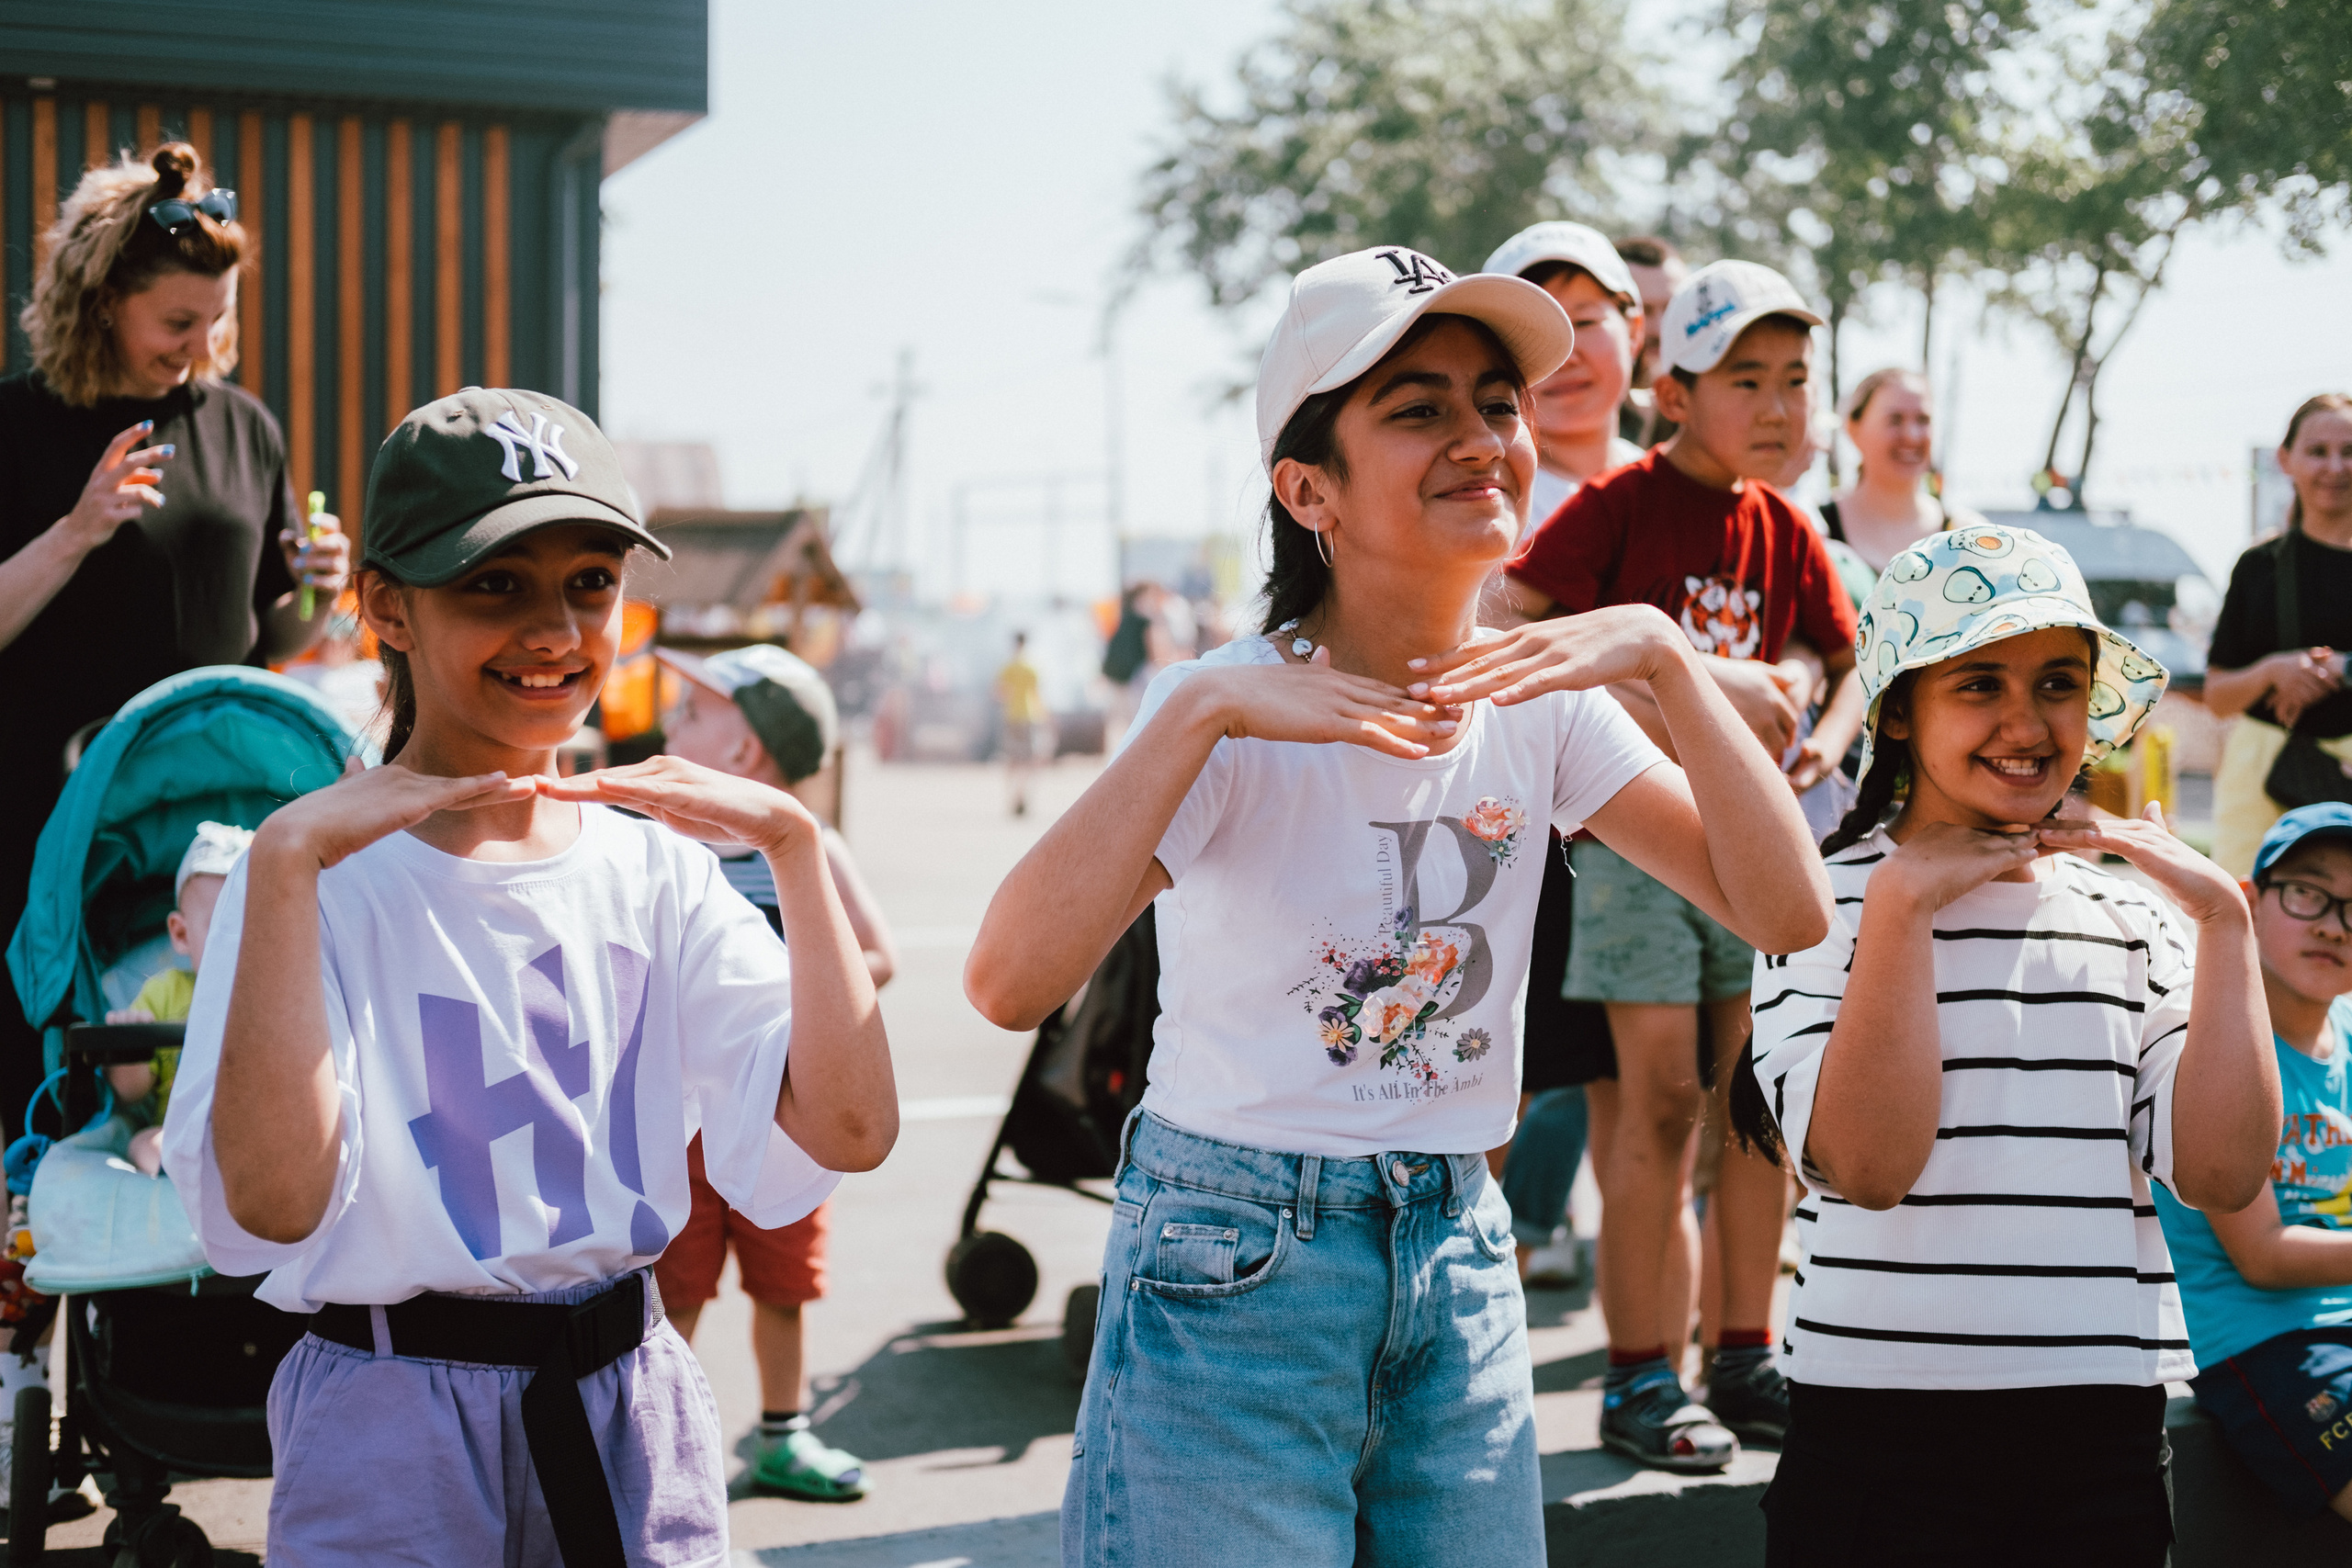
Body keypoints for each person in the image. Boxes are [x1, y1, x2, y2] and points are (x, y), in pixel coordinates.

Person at [967, 244, 1831, 1565]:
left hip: (1460, 1254)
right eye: (1418, 408)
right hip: (1230, 1268)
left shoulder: (1546, 698)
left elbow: (1786, 909)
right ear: (1308, 485)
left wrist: (1662, 654)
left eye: (1496, 402)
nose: (1482, 437)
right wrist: (1198, 707)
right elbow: (1009, 978)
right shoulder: (1226, 711)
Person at [159, 387, 896, 1565]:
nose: (556, 630)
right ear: (386, 608)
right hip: (387, 1412)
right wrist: (291, 855)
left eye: (590, 582)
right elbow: (275, 1203)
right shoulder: (306, 871)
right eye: (494, 582)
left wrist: (795, 851)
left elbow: (852, 1128)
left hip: (627, 1395)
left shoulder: (656, 865)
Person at [1740, 524, 2276, 1563]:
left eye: (2059, 683)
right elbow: (1868, 1165)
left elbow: (2220, 1167)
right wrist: (1899, 907)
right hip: (1869, 1434)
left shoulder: (2139, 916)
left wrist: (2225, 926)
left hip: (2100, 1444)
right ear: (1898, 710)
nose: (2026, 722)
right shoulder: (1821, 905)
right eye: (1978, 683)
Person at [1500, 258, 1865, 1466]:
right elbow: (1511, 620)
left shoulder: (1787, 525)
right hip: (1633, 852)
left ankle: (1747, 1348)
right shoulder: (1619, 502)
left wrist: (1818, 715)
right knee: (1655, 1103)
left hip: (1757, 860)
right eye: (1743, 378)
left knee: (1748, 1109)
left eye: (1797, 380)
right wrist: (1710, 681)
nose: (1776, 405)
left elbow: (1843, 656)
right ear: (1673, 389)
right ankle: (1638, 1375)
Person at [0, 141, 346, 1138]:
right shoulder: (20, 427)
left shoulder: (244, 428)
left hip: (208, 834)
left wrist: (319, 595)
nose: (199, 346)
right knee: (40, 1109)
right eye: (176, 322)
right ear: (104, 300)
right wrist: (78, 528)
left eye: (218, 320)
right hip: (48, 827)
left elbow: (263, 640)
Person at [652, 640, 897, 1503]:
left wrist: (793, 991)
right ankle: (654, 1434)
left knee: (782, 1278)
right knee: (672, 1279)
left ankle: (782, 1431)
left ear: (744, 751)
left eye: (691, 714)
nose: (667, 722)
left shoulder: (806, 846)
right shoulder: (658, 847)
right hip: (678, 1120)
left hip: (785, 1111)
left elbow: (876, 953)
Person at [1476, 222, 1648, 1283]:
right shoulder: (1483, 487)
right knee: (1472, 1095)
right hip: (1509, 843)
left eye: (1592, 319)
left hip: (1651, 847)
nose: (1574, 351)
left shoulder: (1684, 484)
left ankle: (1674, 1354)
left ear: (1642, 333)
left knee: (1659, 1119)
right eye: (1548, 329)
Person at [2153, 803, 2352, 1524]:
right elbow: (2263, 1256)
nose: (2333, 922)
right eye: (2308, 892)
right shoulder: (2218, 1045)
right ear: (2247, 901)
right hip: (2268, 1344)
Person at [2206, 394, 2352, 876]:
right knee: (2242, 921)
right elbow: (2218, 696)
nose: (2335, 467)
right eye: (2318, 451)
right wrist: (2274, 671)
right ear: (2285, 460)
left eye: (2349, 452)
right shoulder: (2259, 567)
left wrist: (2339, 669)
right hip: (2260, 771)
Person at [100, 821, 251, 1176]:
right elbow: (131, 1094)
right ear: (182, 935)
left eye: (254, 922)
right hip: (180, 1136)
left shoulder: (281, 991)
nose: (239, 940)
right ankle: (174, 1174)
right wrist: (130, 1049)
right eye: (222, 927)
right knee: (142, 1140)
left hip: (255, 1133)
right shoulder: (165, 992)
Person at [1480, 223, 1647, 521]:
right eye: (1533, 333)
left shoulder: (1676, 489)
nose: (1565, 357)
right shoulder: (1486, 508)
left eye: (1584, 323)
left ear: (1634, 332)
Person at [1818, 368, 1984, 572]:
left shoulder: (1965, 533)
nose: (1912, 436)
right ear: (1853, 429)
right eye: (1895, 420)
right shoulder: (1816, 528)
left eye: (1923, 420)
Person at [1612, 235, 1690, 447]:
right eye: (1644, 310)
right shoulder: (1579, 412)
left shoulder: (1704, 413)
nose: (1659, 328)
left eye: (1671, 308)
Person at [996, 631, 1048, 817]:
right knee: (1030, 759)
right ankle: (1022, 793)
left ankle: (1011, 796)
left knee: (1012, 758)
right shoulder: (1032, 666)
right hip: (1031, 714)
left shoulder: (1008, 666)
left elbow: (999, 693)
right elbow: (1038, 693)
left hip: (1011, 715)